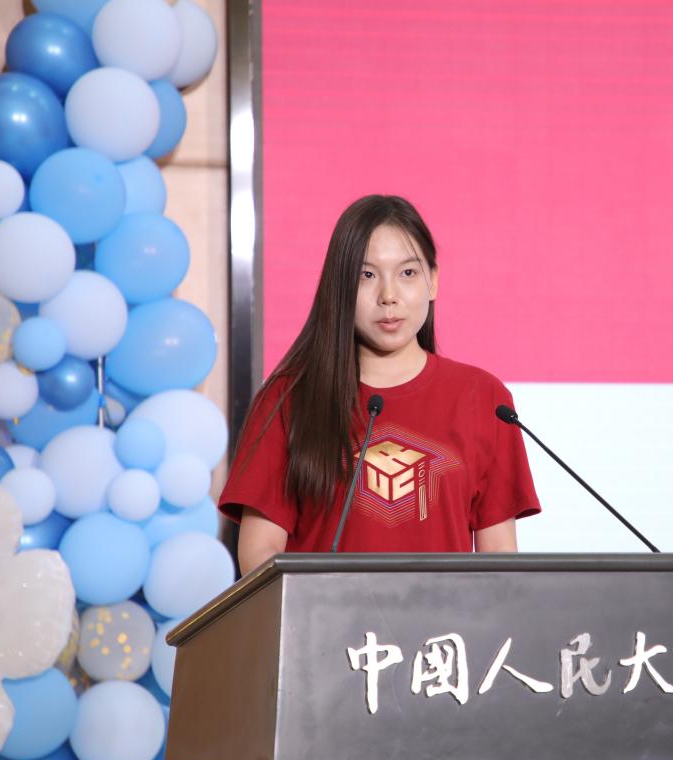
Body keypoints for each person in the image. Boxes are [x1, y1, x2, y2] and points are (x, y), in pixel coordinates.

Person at [219, 195, 540, 575]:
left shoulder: (483, 398)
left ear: (433, 281)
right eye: (366, 276)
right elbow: (260, 552)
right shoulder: (288, 399)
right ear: (340, 287)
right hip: (325, 615)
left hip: (444, 616)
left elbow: (499, 555)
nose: (389, 296)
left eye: (408, 273)